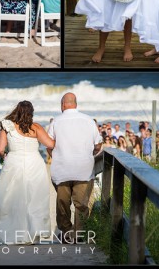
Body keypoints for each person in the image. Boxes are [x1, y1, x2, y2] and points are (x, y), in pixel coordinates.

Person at [0, 101, 55, 244]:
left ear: (17, 111)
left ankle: (12, 233)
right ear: (31, 112)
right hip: (34, 164)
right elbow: (50, 144)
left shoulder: (7, 126)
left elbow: (0, 149)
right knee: (34, 198)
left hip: (14, 162)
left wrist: (3, 155)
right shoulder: (36, 127)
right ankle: (32, 234)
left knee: (11, 197)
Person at [47, 93, 101, 244]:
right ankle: (79, 234)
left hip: (62, 169)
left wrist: (56, 155)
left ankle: (67, 232)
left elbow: (49, 146)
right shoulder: (89, 121)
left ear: (63, 105)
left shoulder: (56, 121)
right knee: (81, 205)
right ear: (76, 104)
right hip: (83, 169)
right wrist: (89, 154)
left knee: (62, 204)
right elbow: (98, 145)